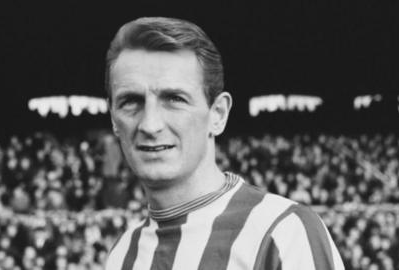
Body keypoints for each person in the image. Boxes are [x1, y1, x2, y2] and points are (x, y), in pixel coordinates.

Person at [105, 17, 345, 270]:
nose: (150, 125)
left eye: (174, 99)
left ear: (218, 114)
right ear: (113, 118)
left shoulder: (283, 233)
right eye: (130, 101)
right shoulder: (122, 254)